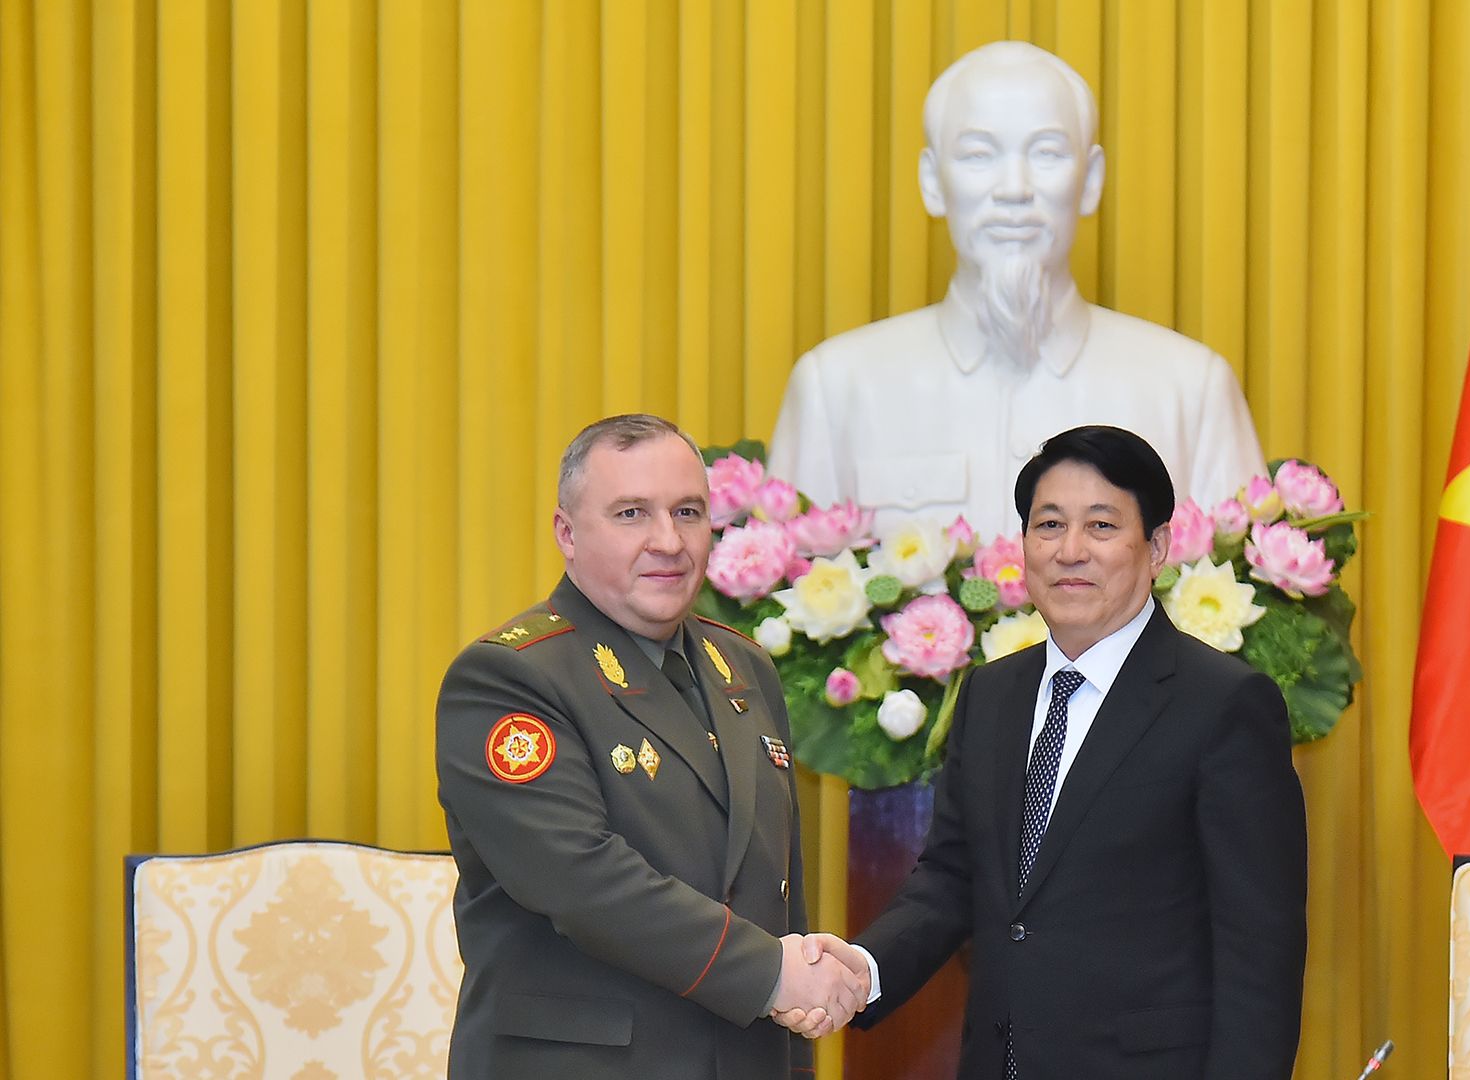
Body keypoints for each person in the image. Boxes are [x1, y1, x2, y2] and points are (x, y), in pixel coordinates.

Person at [785, 425, 1309, 1078]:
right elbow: (950, 879)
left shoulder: (1223, 704)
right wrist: (863, 970)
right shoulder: (992, 693)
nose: (1070, 551)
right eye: (1049, 525)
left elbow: (1259, 951)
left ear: (1157, 548)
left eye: (1101, 526)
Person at [435, 414, 866, 1078]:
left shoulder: (744, 667)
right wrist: (775, 975)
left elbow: (776, 892)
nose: (668, 541)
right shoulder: (510, 678)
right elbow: (582, 878)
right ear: (567, 534)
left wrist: (795, 1013)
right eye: (631, 513)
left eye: (688, 511)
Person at [766, 41, 1266, 539]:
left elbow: (1246, 599)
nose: (1013, 189)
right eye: (978, 155)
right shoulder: (835, 388)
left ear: (1090, 179)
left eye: (1047, 153)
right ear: (932, 181)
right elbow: (778, 599)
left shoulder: (1191, 389)